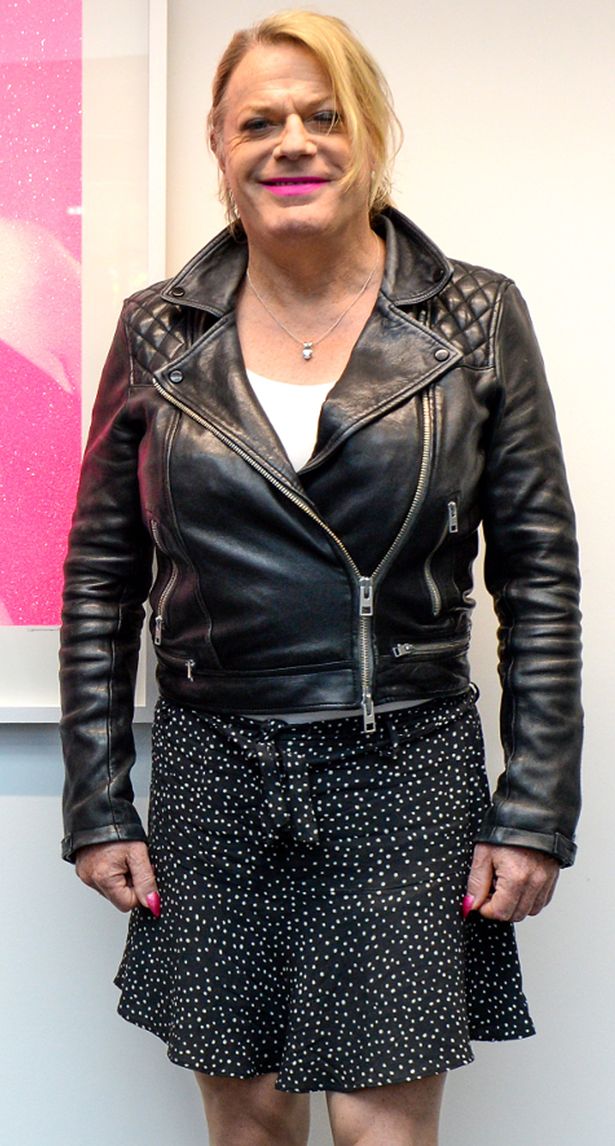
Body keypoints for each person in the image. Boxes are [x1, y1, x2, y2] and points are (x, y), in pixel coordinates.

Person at [60, 10, 582, 1146]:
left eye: (322, 115)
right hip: (214, 766)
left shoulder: (475, 317)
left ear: (368, 135)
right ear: (219, 144)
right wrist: (97, 801)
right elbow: (101, 580)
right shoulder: (158, 331)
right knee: (248, 1124)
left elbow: (539, 578)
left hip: (404, 763)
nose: (291, 141)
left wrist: (536, 808)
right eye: (260, 121)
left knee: (379, 1130)